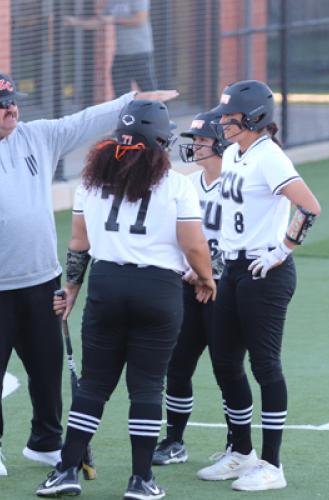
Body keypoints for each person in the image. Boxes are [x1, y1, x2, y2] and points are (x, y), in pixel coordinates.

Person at [0, 71, 178, 476]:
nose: (11, 109)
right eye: (1, 105)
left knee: (47, 367)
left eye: (14, 101)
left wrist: (131, 102)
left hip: (41, 279)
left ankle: (45, 441)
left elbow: (82, 121)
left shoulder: (36, 136)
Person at [35, 99, 216, 499]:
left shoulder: (90, 183)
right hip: (159, 290)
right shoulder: (177, 185)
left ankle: (65, 470)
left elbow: (79, 244)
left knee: (94, 385)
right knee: (148, 387)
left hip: (106, 285)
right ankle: (140, 480)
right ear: (160, 142)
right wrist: (206, 279)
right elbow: (194, 246)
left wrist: (70, 291)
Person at [198, 80, 321, 491]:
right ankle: (241, 452)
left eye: (231, 117)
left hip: (264, 271)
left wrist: (282, 250)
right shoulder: (234, 152)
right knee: (225, 361)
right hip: (232, 270)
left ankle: (272, 465)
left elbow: (309, 206)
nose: (224, 123)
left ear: (254, 117)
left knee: (265, 365)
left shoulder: (270, 157)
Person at [152, 109, 233, 467]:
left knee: (226, 368)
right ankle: (174, 441)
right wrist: (190, 271)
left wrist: (209, 273)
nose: (195, 147)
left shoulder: (235, 184)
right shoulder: (187, 183)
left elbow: (241, 239)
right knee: (178, 365)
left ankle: (237, 443)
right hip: (188, 287)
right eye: (194, 141)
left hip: (223, 288)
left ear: (221, 144)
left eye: (202, 141)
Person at [64, 0, 157, 97]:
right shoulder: (113, 2)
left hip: (139, 53)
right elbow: (98, 22)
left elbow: (140, 19)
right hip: (120, 55)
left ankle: (161, 111)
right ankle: (126, 112)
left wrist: (113, 20)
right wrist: (74, 22)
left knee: (149, 92)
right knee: (121, 96)